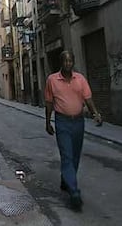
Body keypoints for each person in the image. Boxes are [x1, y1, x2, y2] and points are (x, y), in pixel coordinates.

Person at [44, 50, 102, 211]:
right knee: (67, 155)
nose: (68, 64)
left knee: (75, 156)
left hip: (78, 122)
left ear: (73, 62)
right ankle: (74, 192)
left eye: (70, 61)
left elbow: (88, 99)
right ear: (61, 63)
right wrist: (48, 122)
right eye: (65, 61)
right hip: (62, 122)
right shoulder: (52, 80)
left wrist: (95, 114)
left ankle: (66, 179)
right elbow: (49, 102)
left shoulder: (80, 79)